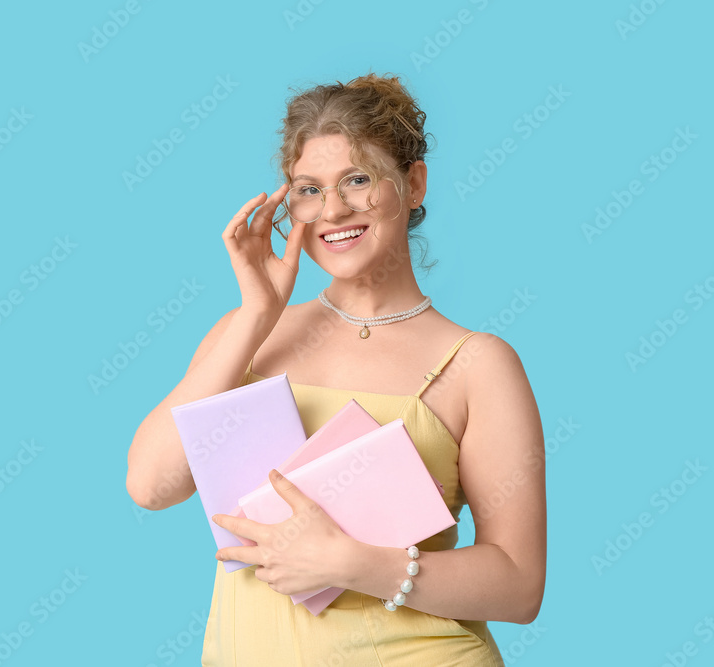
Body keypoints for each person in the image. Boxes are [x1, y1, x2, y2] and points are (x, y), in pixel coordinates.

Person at [127, 72, 546, 666]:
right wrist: (256, 315)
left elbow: (520, 586)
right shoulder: (248, 335)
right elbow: (151, 486)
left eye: (357, 179)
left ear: (414, 183)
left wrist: (350, 563)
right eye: (309, 189)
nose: (332, 209)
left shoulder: (478, 364)